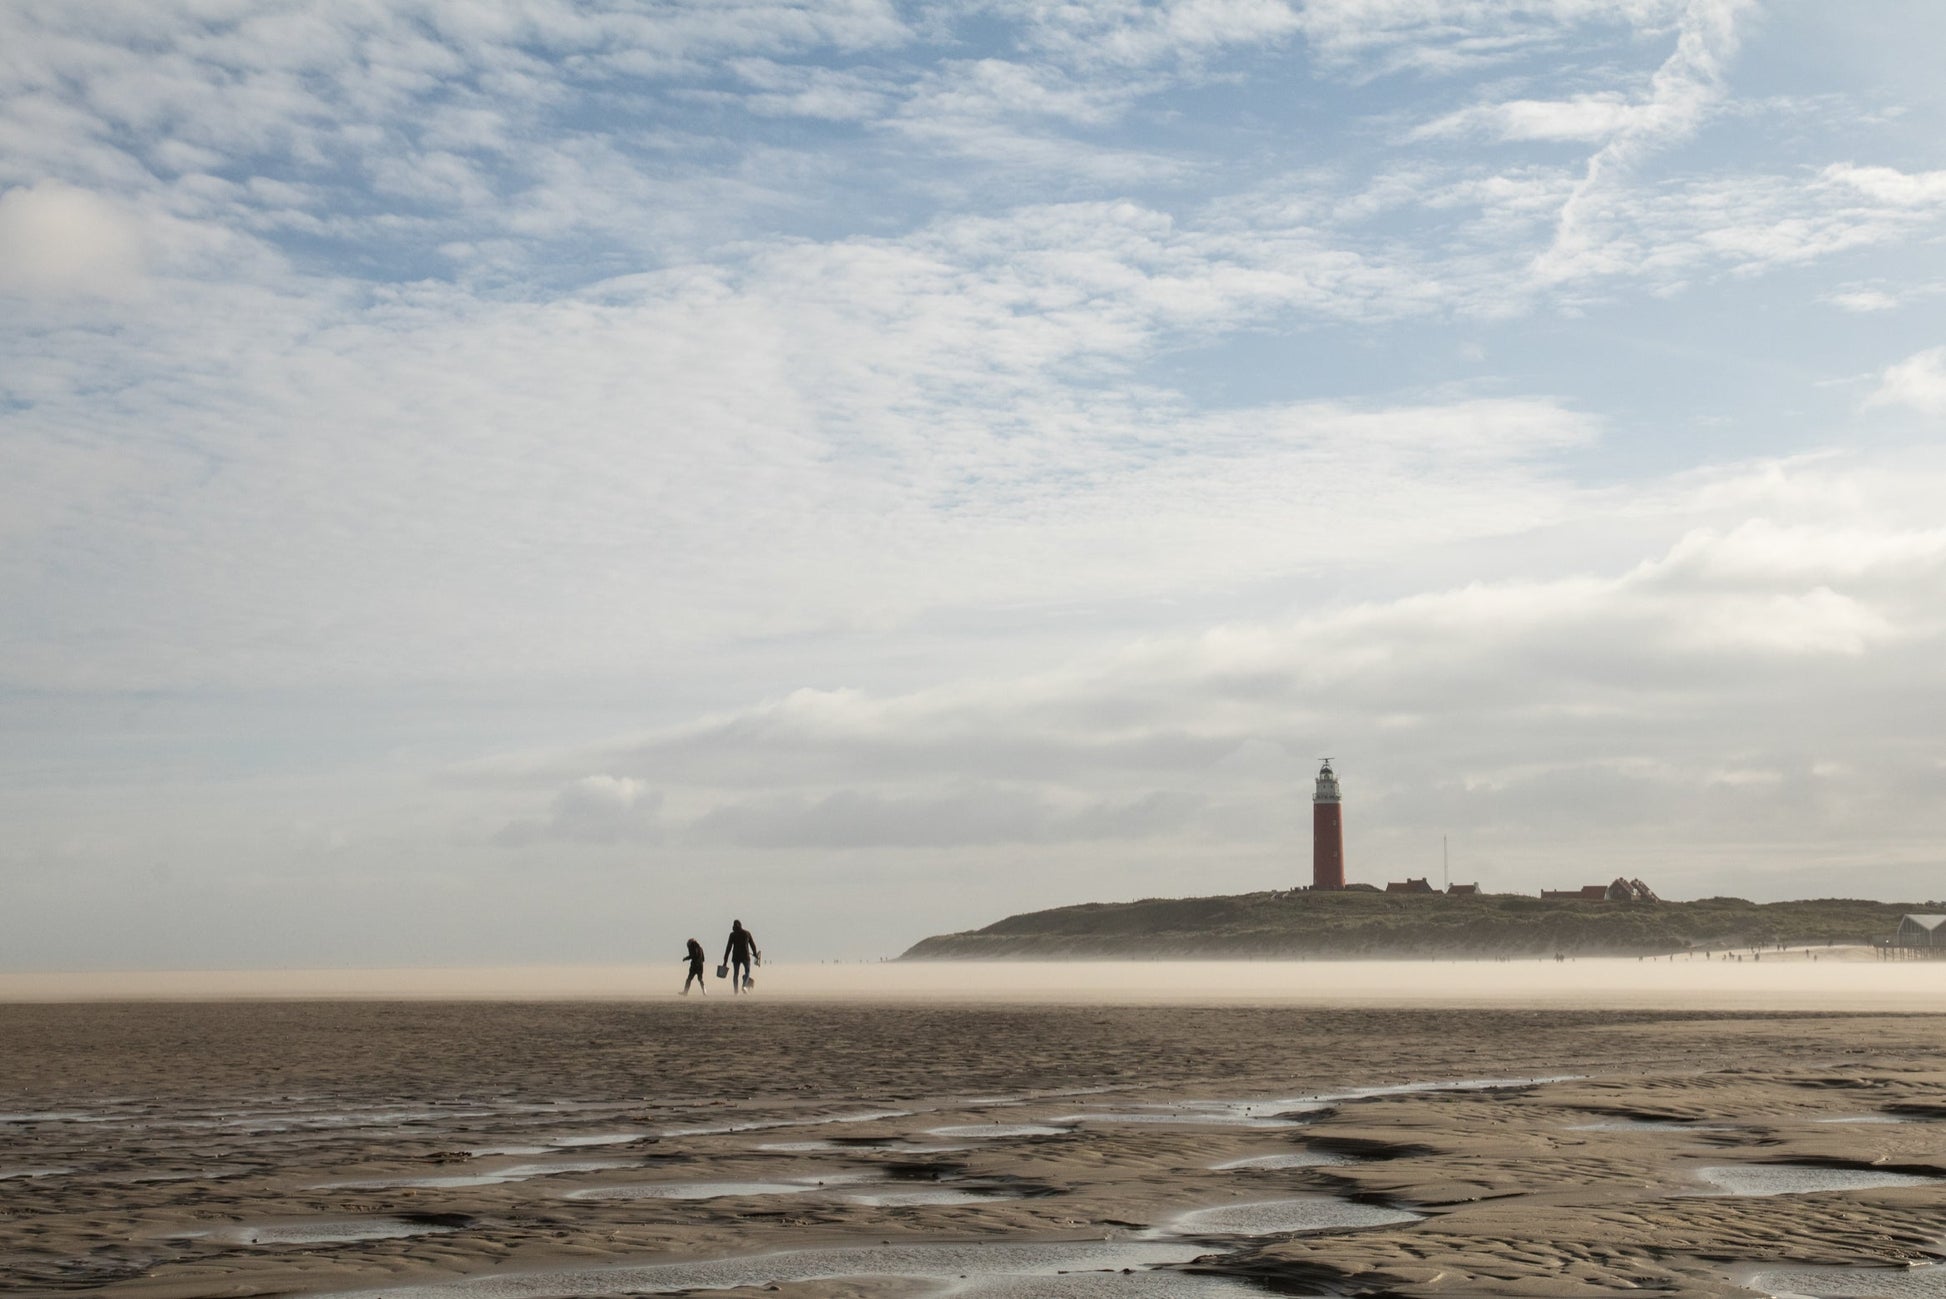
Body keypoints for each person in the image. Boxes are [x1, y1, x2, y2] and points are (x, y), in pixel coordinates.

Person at [723, 919, 761, 994]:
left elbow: (728, 948)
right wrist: (755, 954)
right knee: (747, 972)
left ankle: (736, 991)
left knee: (736, 974)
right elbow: (752, 945)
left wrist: (725, 961)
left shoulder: (733, 935)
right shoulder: (747, 933)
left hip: (736, 956)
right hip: (745, 956)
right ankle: (744, 986)